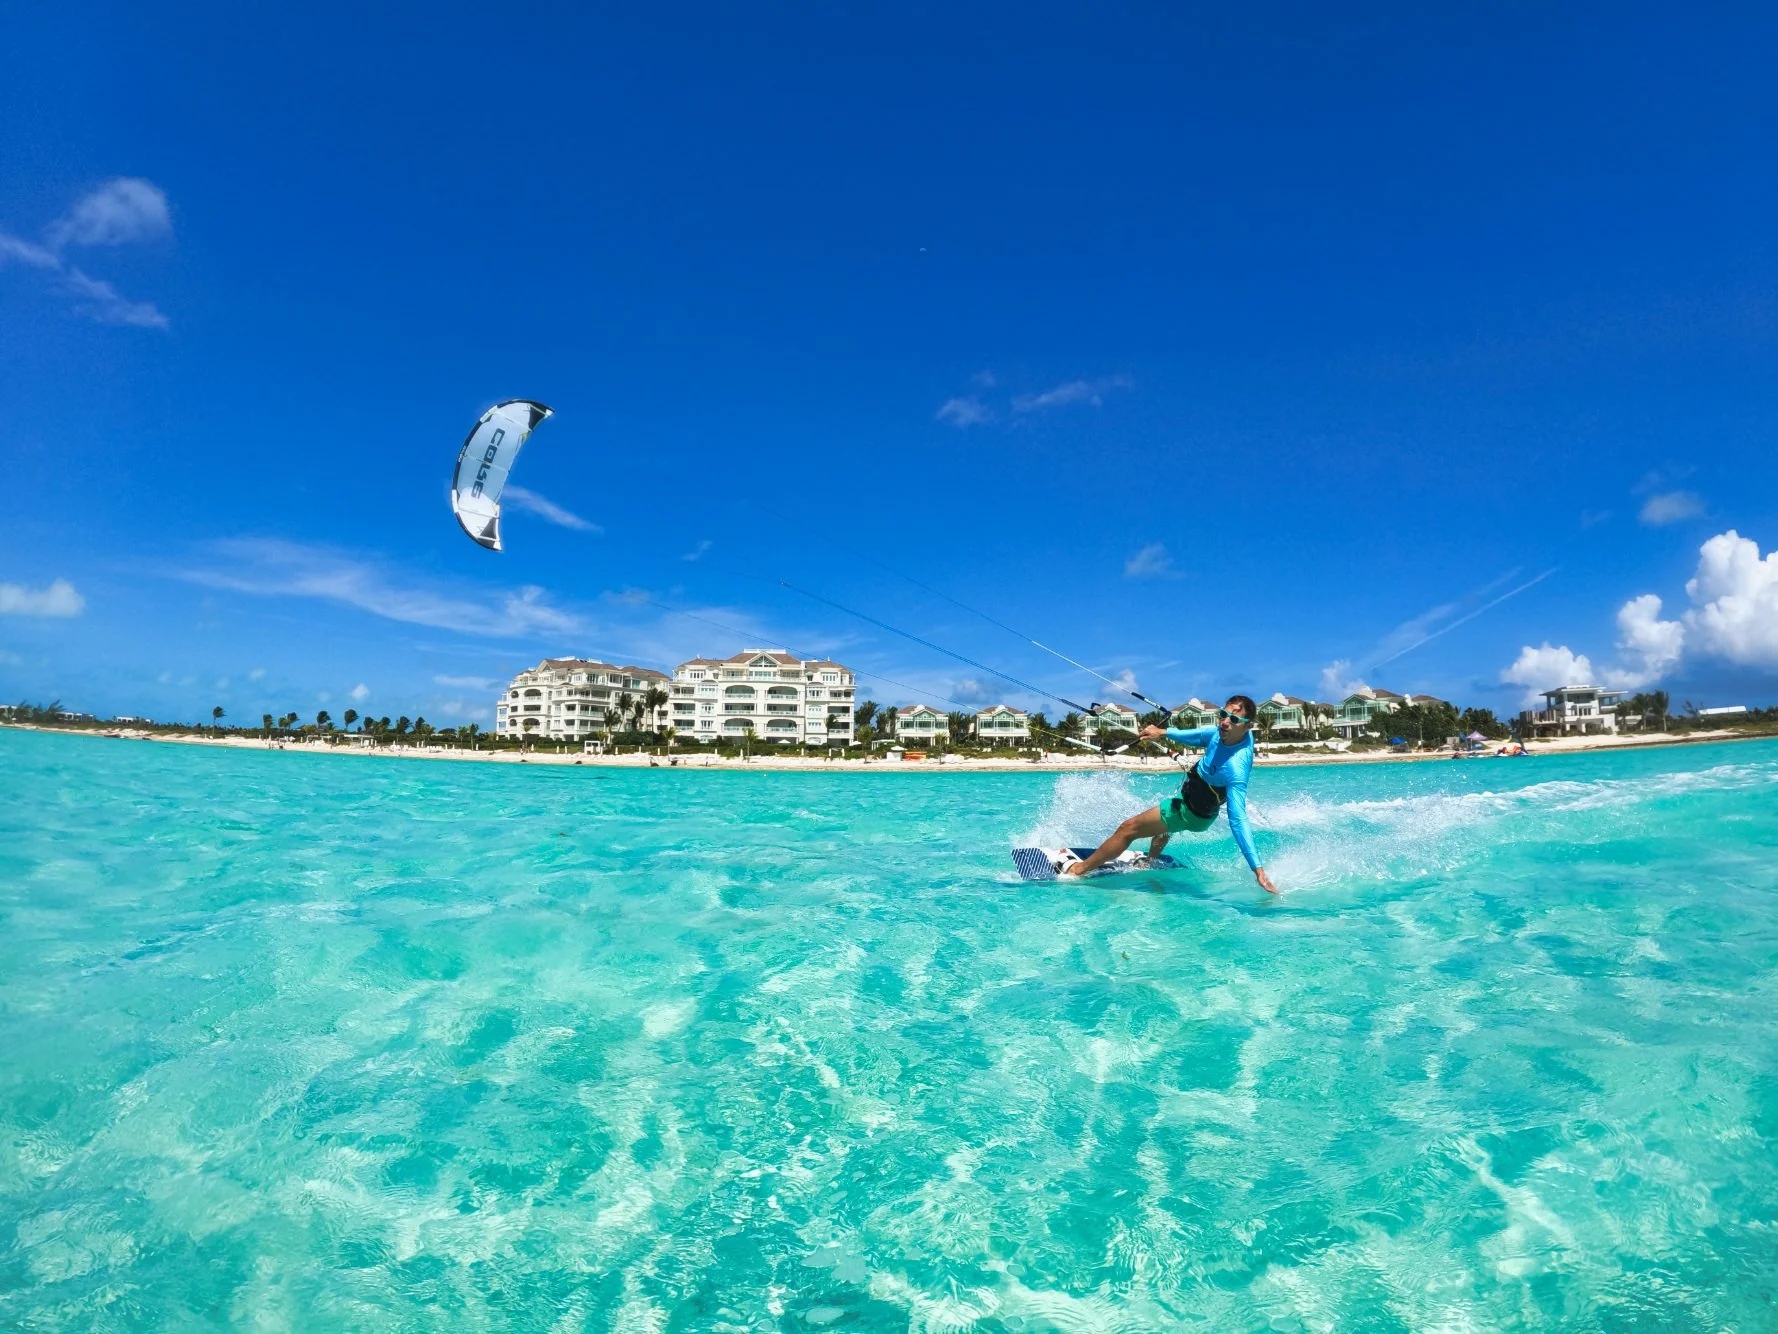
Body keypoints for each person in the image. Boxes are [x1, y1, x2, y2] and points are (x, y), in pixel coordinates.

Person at [1064, 694, 1278, 893]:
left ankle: (1079, 871)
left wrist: (1257, 870)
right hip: (1188, 801)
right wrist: (1162, 732)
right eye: (1223, 714)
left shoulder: (1236, 767)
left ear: (1248, 726)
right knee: (1163, 824)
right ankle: (1150, 863)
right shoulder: (1224, 733)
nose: (1224, 722)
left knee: (1127, 828)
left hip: (1192, 812)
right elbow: (1198, 736)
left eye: (1233, 719)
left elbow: (1238, 819)